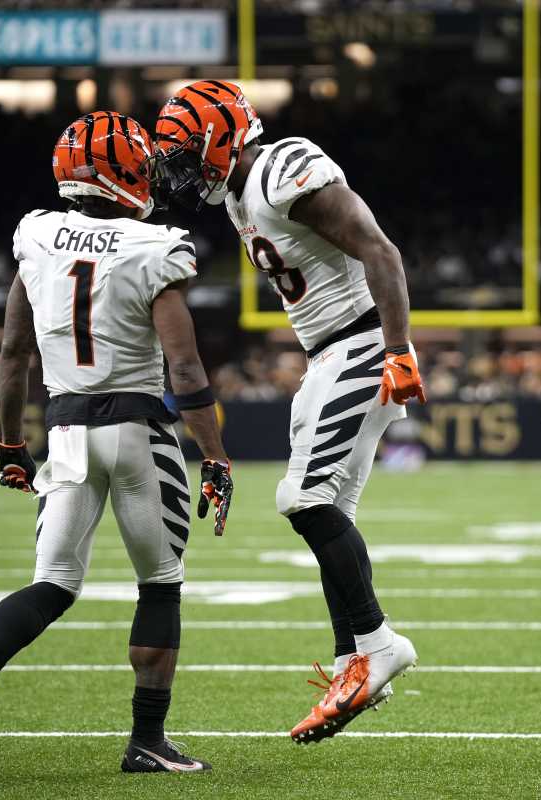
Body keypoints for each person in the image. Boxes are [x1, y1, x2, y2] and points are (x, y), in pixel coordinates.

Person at [0, 112, 234, 774]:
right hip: (139, 433)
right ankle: (147, 741)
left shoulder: (37, 236)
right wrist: (214, 455)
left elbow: (13, 354)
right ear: (121, 174)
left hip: (64, 432)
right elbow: (185, 371)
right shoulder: (155, 247)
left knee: (53, 583)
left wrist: (12, 445)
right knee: (160, 583)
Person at [151, 81, 425, 743]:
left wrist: (396, 352)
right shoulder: (240, 194)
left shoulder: (281, 168)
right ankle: (352, 662)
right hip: (328, 355)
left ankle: (379, 645)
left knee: (302, 498)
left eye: (190, 152)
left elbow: (379, 249)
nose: (184, 170)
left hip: (361, 343)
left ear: (222, 137)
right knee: (331, 508)